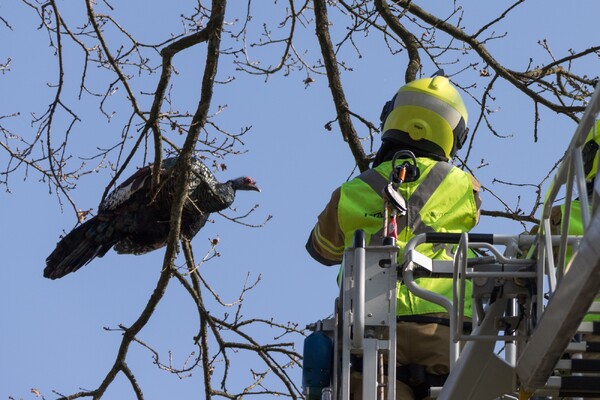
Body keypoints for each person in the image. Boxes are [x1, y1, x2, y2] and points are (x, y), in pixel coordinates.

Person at [306, 74, 481, 400]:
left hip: (371, 336)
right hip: (446, 327)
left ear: (392, 118)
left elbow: (321, 249)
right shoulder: (465, 187)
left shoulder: (351, 192)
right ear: (453, 135)